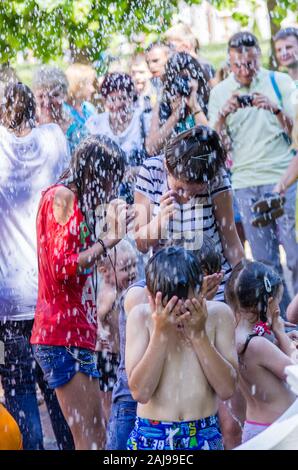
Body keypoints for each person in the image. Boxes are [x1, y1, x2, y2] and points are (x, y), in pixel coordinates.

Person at [31, 135, 135, 450]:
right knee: (89, 441)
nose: (111, 188)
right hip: (60, 336)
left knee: (97, 438)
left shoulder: (74, 200)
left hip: (74, 334)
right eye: (110, 180)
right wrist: (109, 240)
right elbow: (63, 267)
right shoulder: (62, 197)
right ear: (95, 173)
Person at [0, 82, 73, 450]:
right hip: (51, 293)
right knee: (59, 389)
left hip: (8, 301)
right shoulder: (53, 140)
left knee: (19, 390)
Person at [208, 31, 297, 316]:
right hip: (245, 182)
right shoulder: (220, 92)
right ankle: (282, 320)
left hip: (283, 176)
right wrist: (222, 115)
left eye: (251, 63)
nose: (245, 71)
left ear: (259, 56)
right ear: (229, 62)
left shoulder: (279, 82)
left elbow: (295, 131)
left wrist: (276, 110)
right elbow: (214, 146)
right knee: (264, 260)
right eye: (238, 65)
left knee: (295, 256)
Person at [126, 246, 238, 450]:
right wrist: (160, 333)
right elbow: (141, 392)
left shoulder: (219, 315)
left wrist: (199, 334)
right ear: (150, 296)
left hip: (203, 432)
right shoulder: (140, 317)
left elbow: (227, 388)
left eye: (186, 306)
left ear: (200, 290)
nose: (178, 315)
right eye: (169, 307)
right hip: (152, 434)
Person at [135, 125, 244, 300]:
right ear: (166, 166)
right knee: (134, 296)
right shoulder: (151, 171)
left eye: (194, 192)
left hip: (210, 280)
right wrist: (159, 220)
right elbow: (141, 244)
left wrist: (245, 285)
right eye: (179, 188)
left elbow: (230, 242)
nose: (185, 196)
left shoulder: (215, 177)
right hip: (167, 279)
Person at [225, 260, 298, 443]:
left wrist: (280, 340)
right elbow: (295, 375)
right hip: (279, 431)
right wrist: (280, 332)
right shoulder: (257, 345)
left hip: (255, 428)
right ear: (270, 302)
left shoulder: (234, 338)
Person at [86, 72, 151, 203]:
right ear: (104, 100)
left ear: (131, 97)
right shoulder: (95, 124)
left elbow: (154, 163)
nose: (117, 105)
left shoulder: (144, 120)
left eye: (122, 98)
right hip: (105, 198)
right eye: (112, 99)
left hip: (140, 197)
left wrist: (132, 172)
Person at [96, 240, 137, 431]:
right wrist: (100, 332)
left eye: (135, 265)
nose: (132, 272)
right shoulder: (110, 293)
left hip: (123, 356)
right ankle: (112, 433)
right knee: (110, 403)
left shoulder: (129, 291)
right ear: (105, 272)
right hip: (109, 358)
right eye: (126, 268)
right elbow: (96, 316)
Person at [146, 52, 209, 156]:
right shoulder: (163, 104)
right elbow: (151, 148)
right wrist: (175, 115)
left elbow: (210, 141)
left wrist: (195, 106)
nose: (183, 84)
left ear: (197, 79)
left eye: (187, 78)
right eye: (178, 79)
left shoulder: (207, 100)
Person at [32, 66, 87, 154]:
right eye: (41, 96)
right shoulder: (29, 126)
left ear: (64, 95)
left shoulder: (77, 130)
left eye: (54, 95)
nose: (47, 102)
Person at [163, 23, 216, 87]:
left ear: (186, 45)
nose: (168, 52)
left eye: (171, 47)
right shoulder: (178, 67)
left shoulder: (203, 66)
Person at [64, 62, 97, 150]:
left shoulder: (89, 108)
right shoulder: (64, 111)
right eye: (89, 84)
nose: (93, 89)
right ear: (78, 86)